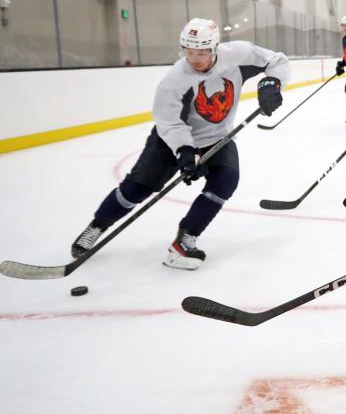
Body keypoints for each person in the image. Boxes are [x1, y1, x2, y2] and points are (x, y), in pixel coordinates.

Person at [70, 19, 290, 269]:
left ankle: (185, 239)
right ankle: (97, 226)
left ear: (215, 48)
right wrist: (185, 151)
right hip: (170, 141)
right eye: (189, 52)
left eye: (202, 53)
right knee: (138, 188)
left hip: (217, 136)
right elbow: (169, 121)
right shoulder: (176, 79)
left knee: (226, 180)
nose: (195, 59)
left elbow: (277, 61)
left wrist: (271, 84)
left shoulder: (238, 55)